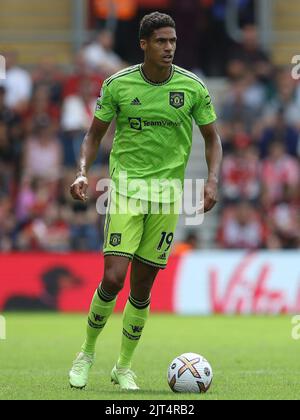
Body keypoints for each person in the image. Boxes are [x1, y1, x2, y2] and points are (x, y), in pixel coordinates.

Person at [69, 12, 222, 391]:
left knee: (141, 288)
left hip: (168, 198)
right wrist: (83, 170)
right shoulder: (118, 85)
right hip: (124, 191)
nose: (168, 47)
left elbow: (213, 139)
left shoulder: (192, 88)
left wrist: (212, 179)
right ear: (144, 44)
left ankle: (123, 366)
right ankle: (86, 353)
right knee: (113, 277)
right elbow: (93, 135)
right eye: (161, 41)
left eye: (172, 41)